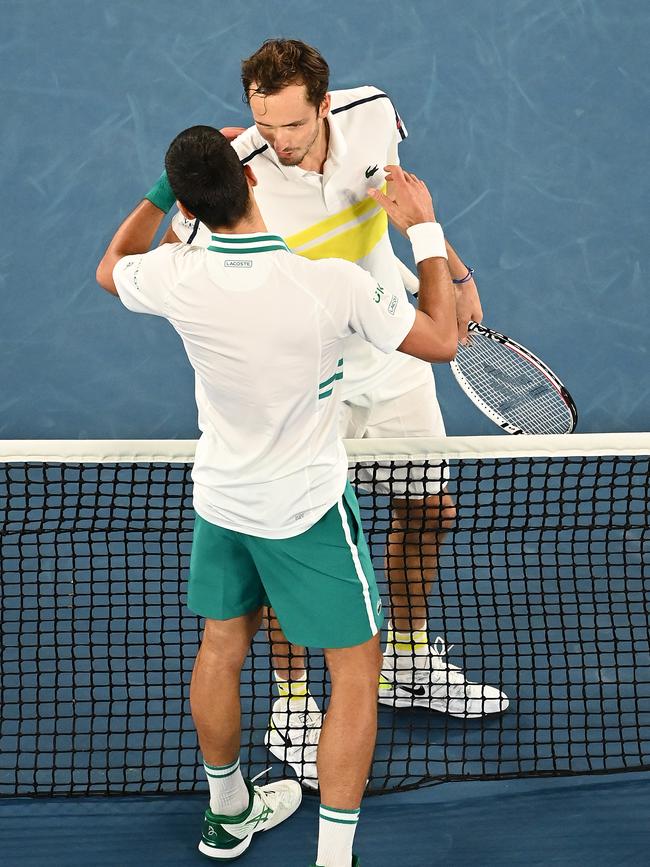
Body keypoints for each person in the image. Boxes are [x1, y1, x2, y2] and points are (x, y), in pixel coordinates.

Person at [96, 124, 457, 866]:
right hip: (306, 512)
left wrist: (168, 187)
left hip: (222, 504)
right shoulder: (330, 286)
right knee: (356, 668)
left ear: (189, 208)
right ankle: (333, 856)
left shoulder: (175, 273)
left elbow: (112, 266)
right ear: (252, 181)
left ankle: (228, 811)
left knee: (221, 647)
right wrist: (424, 230)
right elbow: (443, 341)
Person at [156, 38, 509, 786]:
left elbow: (403, 195)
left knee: (430, 509)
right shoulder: (239, 169)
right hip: (300, 378)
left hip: (389, 345)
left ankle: (406, 661)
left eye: (292, 125)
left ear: (325, 104)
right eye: (263, 122)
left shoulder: (372, 111)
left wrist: (455, 268)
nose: (275, 142)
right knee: (294, 536)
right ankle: (292, 701)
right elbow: (178, 260)